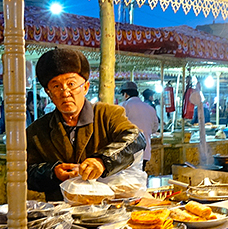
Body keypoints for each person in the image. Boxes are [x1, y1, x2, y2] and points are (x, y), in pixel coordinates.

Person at [25, 48, 145, 201]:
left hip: (108, 210)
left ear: (86, 87)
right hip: (61, 214)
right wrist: (52, 172)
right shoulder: (36, 131)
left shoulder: (107, 114)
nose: (65, 92)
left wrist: (102, 161)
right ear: (49, 93)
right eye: (56, 86)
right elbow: (26, 174)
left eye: (71, 84)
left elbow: (136, 138)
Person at [119, 81, 159, 164]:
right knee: (140, 175)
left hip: (127, 152)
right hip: (145, 152)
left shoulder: (123, 107)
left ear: (125, 94)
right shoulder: (150, 108)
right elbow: (155, 128)